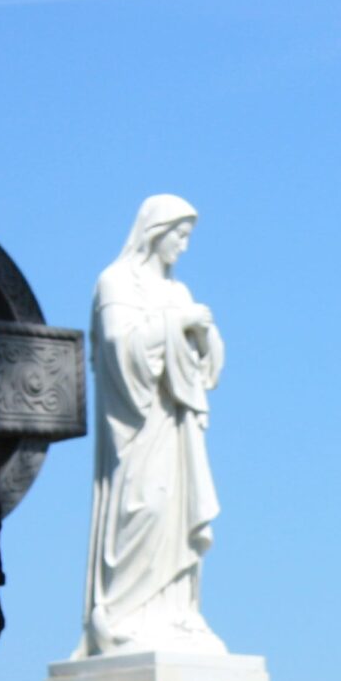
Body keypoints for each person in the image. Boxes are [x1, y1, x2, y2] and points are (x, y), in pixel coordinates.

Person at [82, 193, 226, 654]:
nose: (182, 247)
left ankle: (178, 614)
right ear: (154, 233)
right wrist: (174, 323)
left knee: (177, 514)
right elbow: (117, 350)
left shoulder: (176, 291)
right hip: (136, 428)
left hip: (177, 427)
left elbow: (209, 369)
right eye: (178, 236)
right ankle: (124, 617)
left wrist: (202, 334)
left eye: (188, 238)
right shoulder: (116, 283)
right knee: (144, 508)